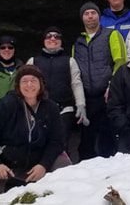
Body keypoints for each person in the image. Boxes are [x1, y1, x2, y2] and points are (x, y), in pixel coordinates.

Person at [0, 65, 70, 204]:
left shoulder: (51, 108)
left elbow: (57, 140)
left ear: (41, 84)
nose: (29, 85)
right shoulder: (6, 104)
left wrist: (44, 164)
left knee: (64, 166)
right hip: (5, 160)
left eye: (33, 80)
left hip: (38, 160)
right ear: (18, 85)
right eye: (24, 81)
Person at [72, 2, 127, 159]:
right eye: (86, 13)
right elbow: (74, 71)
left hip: (107, 95)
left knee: (108, 137)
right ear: (82, 18)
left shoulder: (111, 35)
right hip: (88, 98)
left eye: (93, 13)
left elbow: (121, 62)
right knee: (87, 140)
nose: (90, 16)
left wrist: (112, 85)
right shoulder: (77, 43)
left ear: (99, 16)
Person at [26, 27, 87, 163]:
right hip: (39, 111)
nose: (52, 39)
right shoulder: (33, 61)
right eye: (48, 36)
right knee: (39, 144)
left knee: (61, 144)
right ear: (43, 41)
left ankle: (61, 175)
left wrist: (81, 105)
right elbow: (25, 85)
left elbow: (76, 84)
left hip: (64, 110)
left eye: (56, 36)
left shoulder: (70, 61)